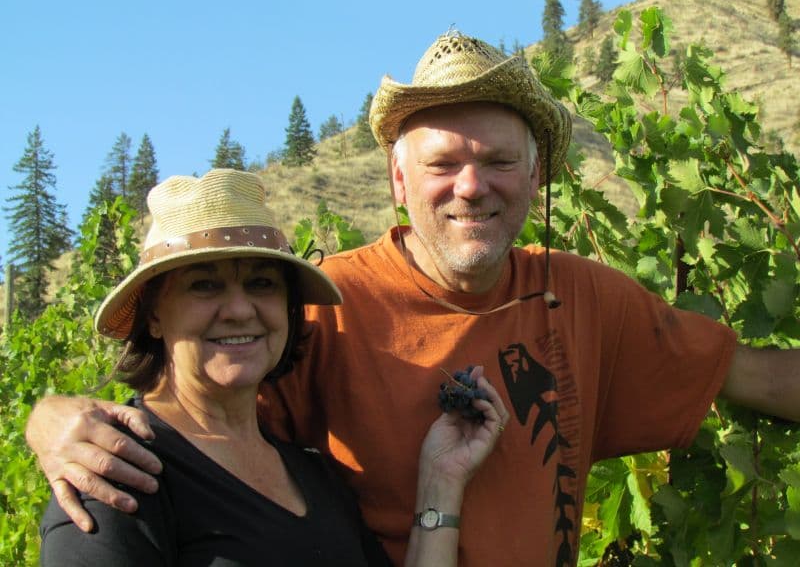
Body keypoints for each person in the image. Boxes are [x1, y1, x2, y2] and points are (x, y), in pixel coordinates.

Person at [27, 32, 800, 566]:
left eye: (499, 160)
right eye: (443, 164)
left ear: (537, 179)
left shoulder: (587, 297)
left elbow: (751, 373)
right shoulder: (321, 310)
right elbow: (186, 414)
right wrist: (53, 419)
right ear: (399, 181)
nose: (472, 186)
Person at [36, 168, 509, 567]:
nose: (240, 309)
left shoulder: (312, 472)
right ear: (154, 315)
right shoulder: (115, 471)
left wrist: (441, 482)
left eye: (262, 284)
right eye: (204, 286)